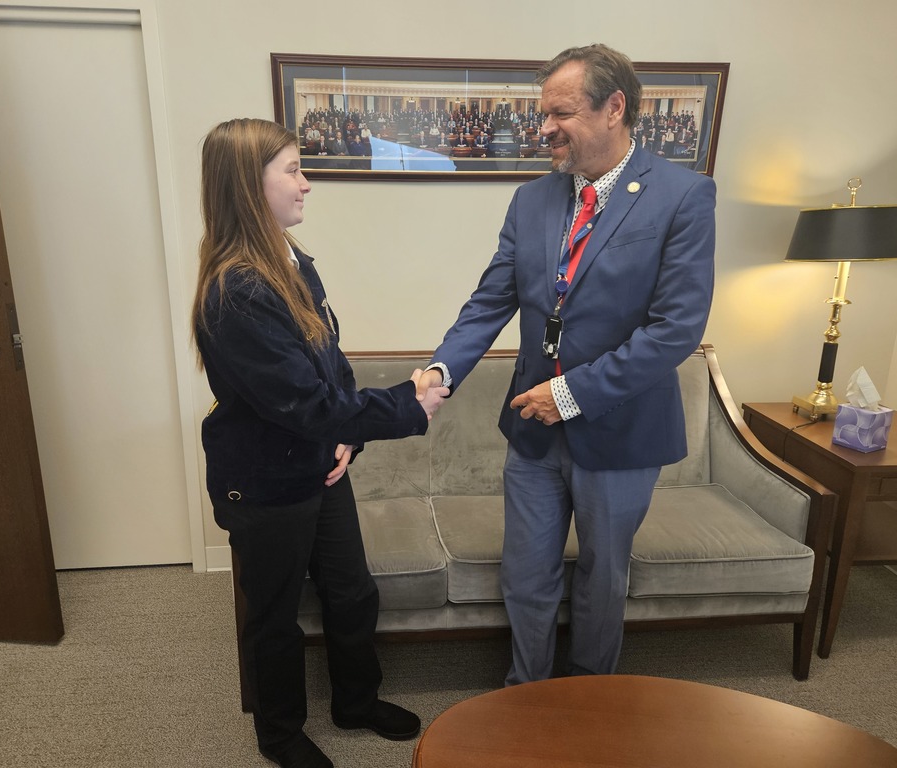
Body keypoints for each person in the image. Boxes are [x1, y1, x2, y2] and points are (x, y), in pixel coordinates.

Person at [414, 44, 715, 686]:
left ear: (615, 108)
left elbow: (675, 330)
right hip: (532, 429)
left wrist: (571, 395)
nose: (543, 126)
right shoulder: (531, 201)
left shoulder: (684, 197)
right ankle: (525, 694)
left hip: (622, 430)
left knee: (602, 582)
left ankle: (587, 703)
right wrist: (441, 370)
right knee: (526, 576)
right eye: (541, 112)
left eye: (560, 112)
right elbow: (490, 299)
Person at [191, 118, 448, 768]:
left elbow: (328, 364)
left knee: (352, 591)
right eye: (293, 170)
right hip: (266, 482)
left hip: (317, 464)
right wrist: (404, 404)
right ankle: (279, 736)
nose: (307, 184)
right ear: (252, 185)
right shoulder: (236, 292)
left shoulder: (288, 258)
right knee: (274, 616)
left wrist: (343, 440)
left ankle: (355, 701)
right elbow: (304, 402)